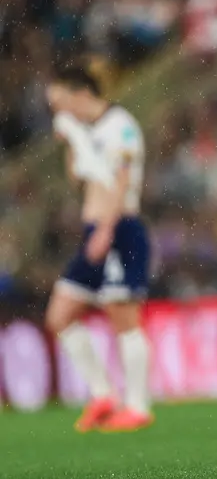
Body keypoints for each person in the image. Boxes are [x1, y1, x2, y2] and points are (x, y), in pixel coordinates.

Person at [45, 65, 153, 433]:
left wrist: (107, 229)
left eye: (60, 103)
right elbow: (79, 180)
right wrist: (72, 147)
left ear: (81, 94)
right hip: (96, 229)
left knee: (123, 316)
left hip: (119, 228)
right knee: (59, 315)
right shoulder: (86, 132)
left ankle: (137, 406)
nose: (59, 112)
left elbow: (122, 178)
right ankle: (103, 394)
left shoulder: (120, 125)